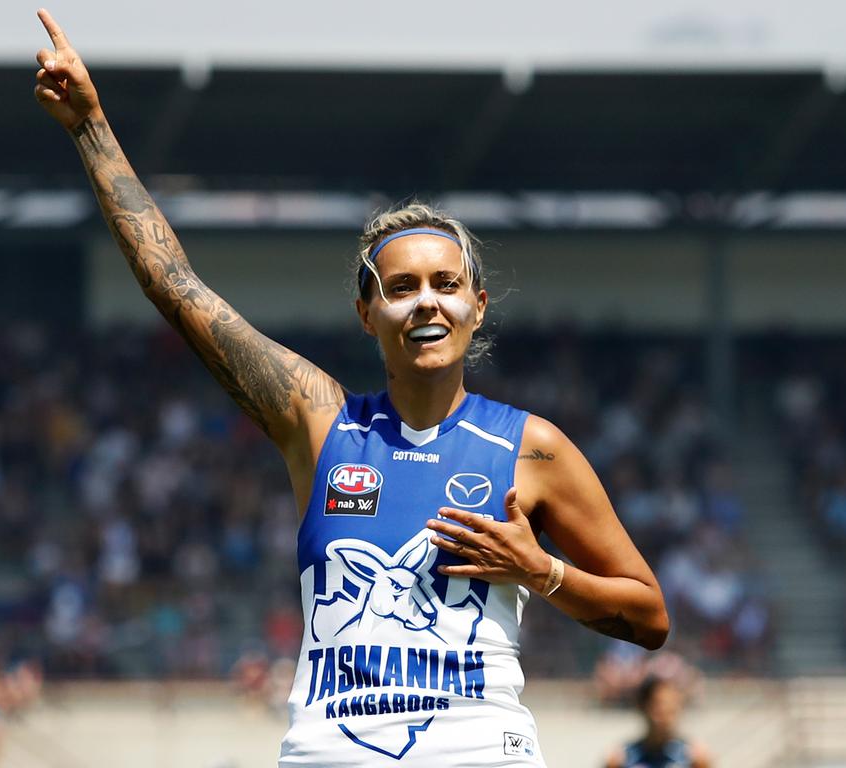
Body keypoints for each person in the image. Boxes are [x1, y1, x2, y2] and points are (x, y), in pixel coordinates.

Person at [33, 9, 669, 766]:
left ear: (477, 306)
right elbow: (175, 287)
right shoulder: (319, 421)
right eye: (401, 288)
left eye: (446, 284)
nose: (426, 302)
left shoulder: (530, 449)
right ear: (368, 313)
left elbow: (649, 616)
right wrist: (90, 127)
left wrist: (545, 572)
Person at [605, 676, 711, 768]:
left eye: (672, 708)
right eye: (659, 707)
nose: (666, 716)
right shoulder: (622, 758)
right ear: (642, 707)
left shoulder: (694, 758)